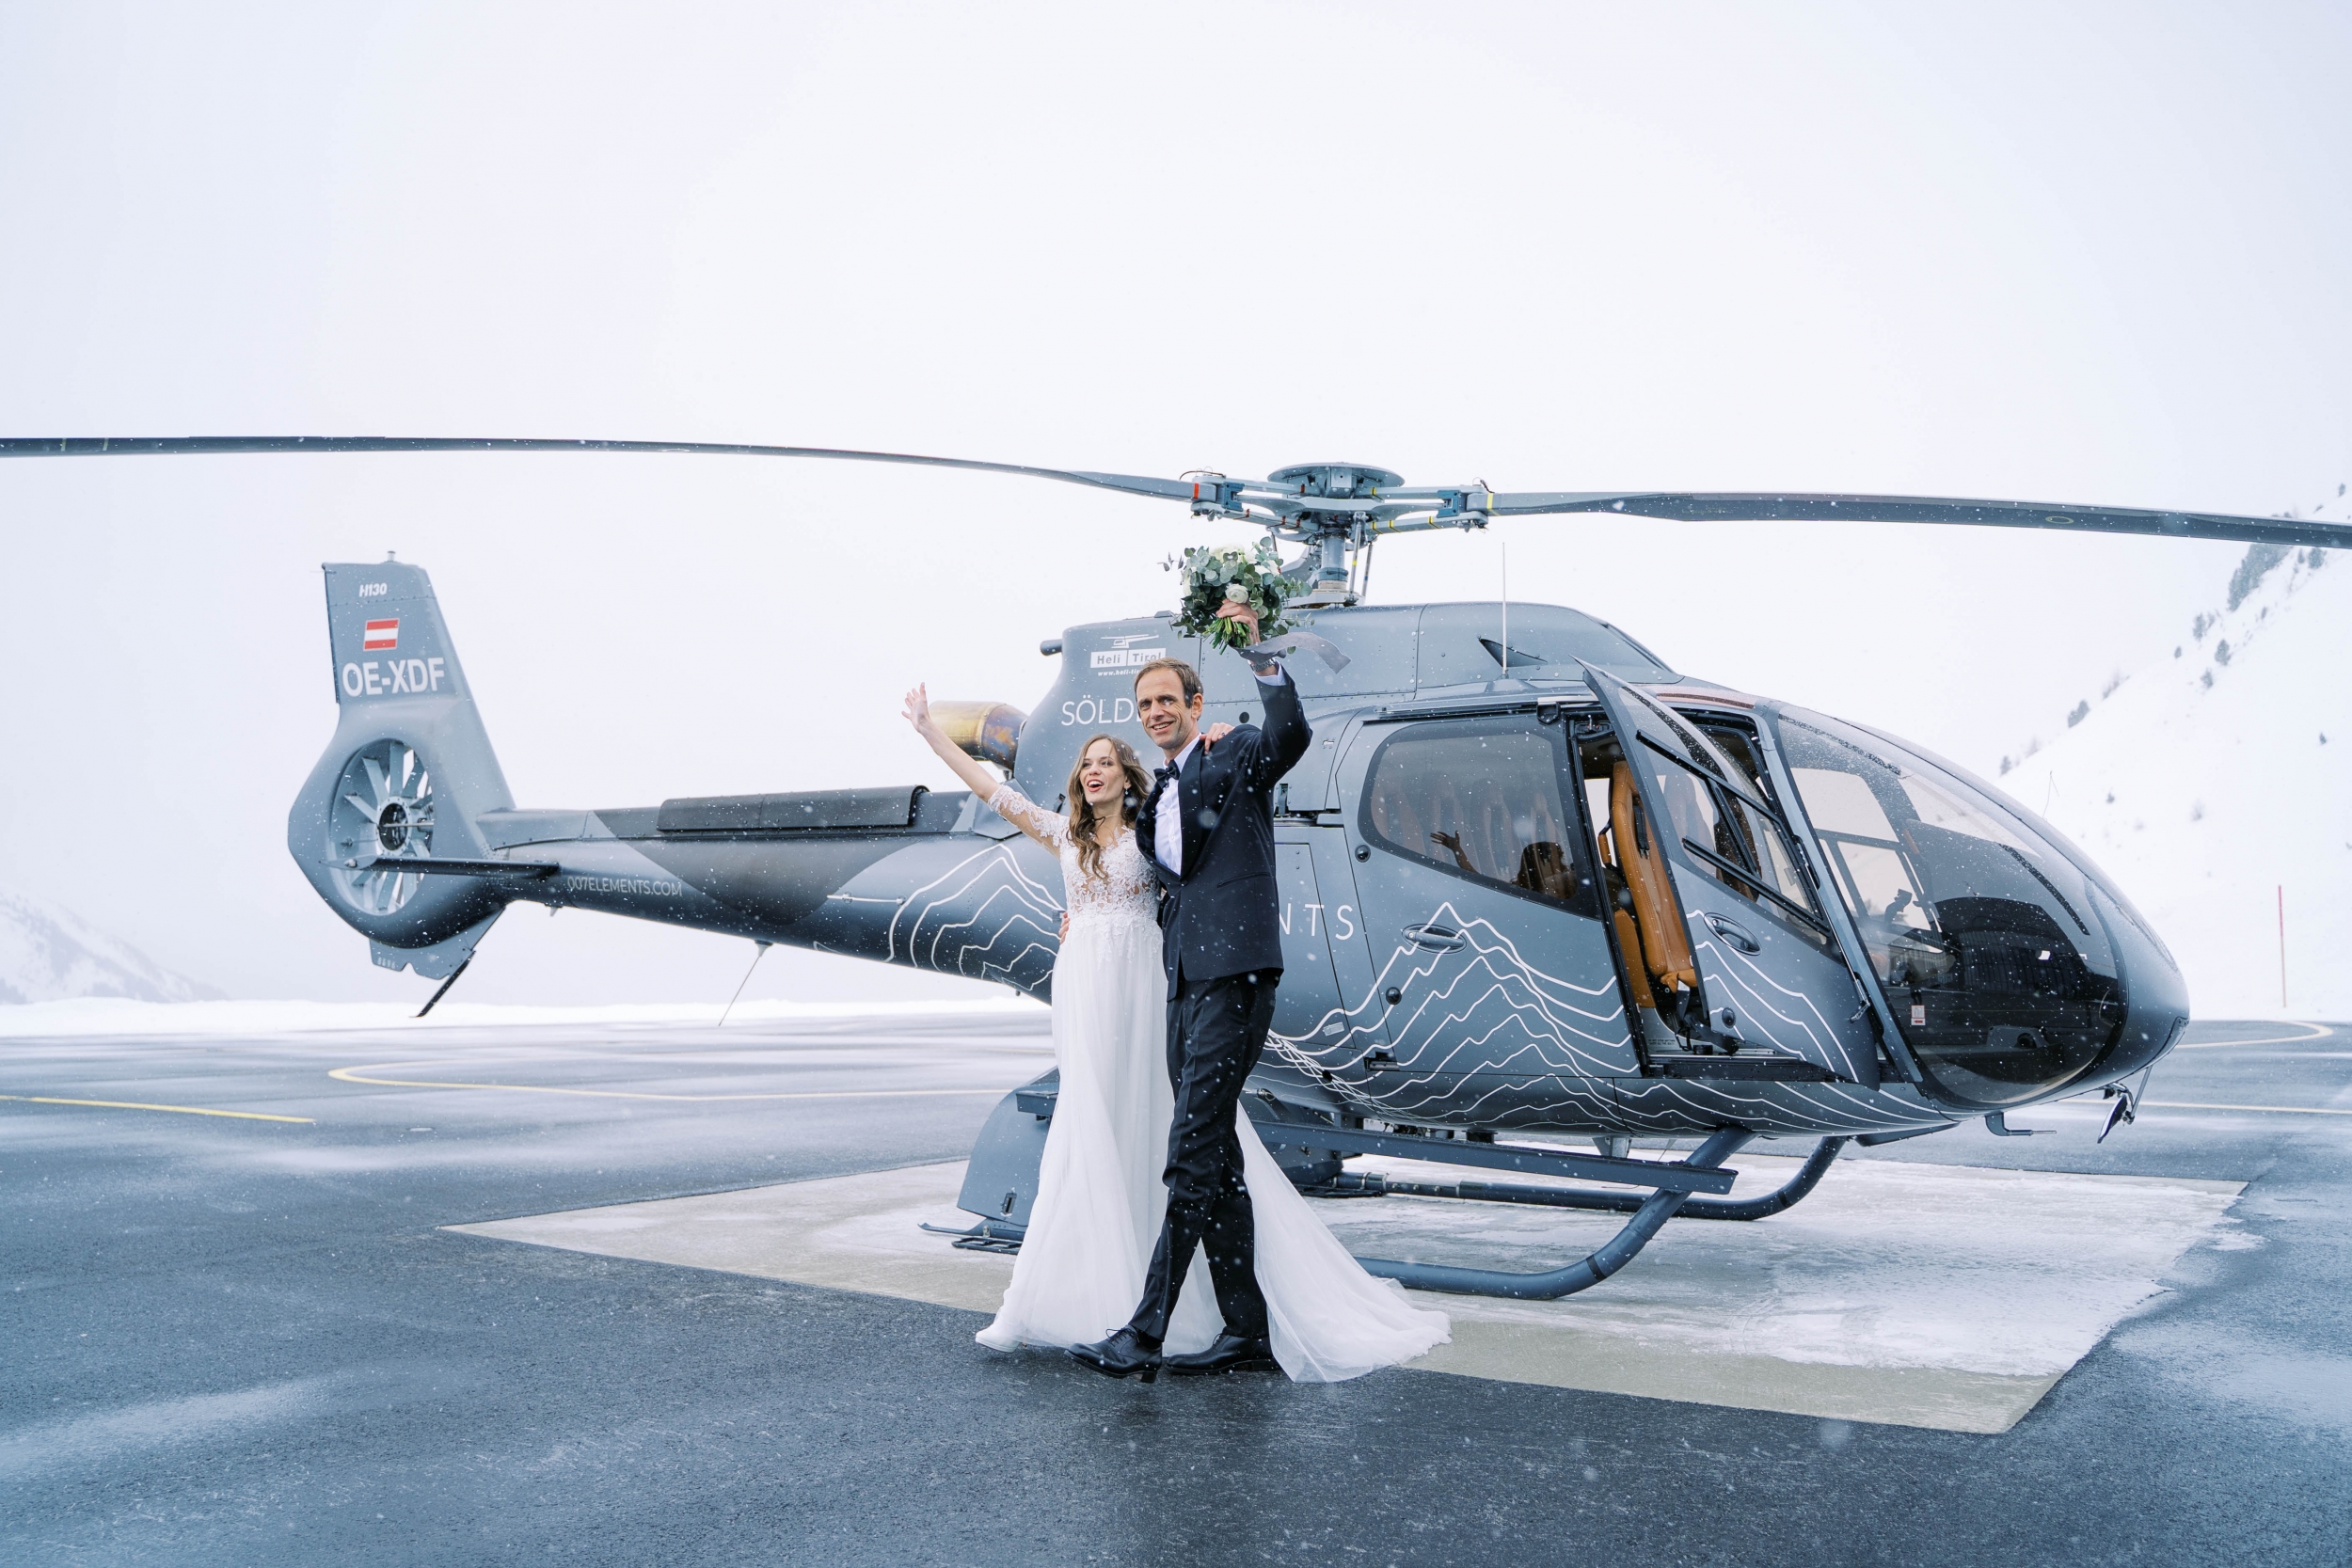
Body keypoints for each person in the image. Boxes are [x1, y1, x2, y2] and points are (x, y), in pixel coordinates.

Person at [1066, 603, 1449, 1383]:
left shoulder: (1234, 752)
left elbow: (1289, 738)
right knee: (1220, 1157)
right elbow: (1148, 885)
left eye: (1167, 699)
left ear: (1195, 706)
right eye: (1144, 705)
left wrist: (1266, 664)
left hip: (1236, 977)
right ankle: (1246, 1331)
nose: (1156, 712)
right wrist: (1076, 919)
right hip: (1183, 985)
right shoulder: (1152, 808)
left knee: (1190, 1150)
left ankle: (1143, 1333)